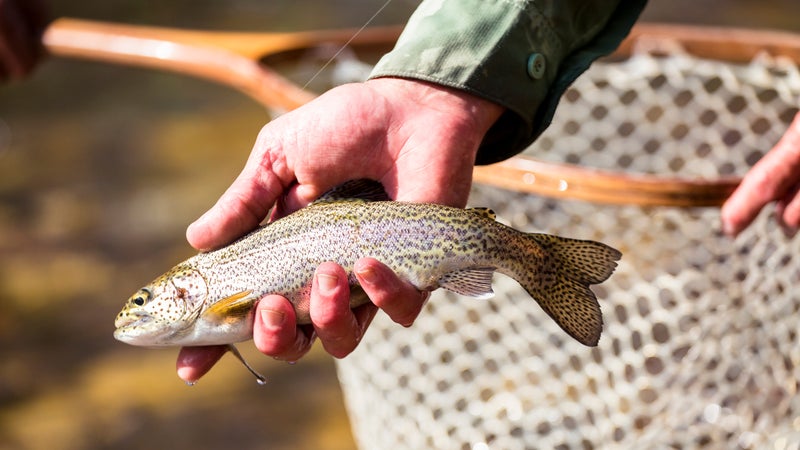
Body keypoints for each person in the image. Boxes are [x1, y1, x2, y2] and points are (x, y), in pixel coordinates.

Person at [4, 0, 800, 384]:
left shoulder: (214, 299)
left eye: (146, 306)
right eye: (141, 309)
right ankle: (537, 260)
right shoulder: (214, 298)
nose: (136, 319)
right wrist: (438, 94)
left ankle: (540, 260)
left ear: (184, 294)